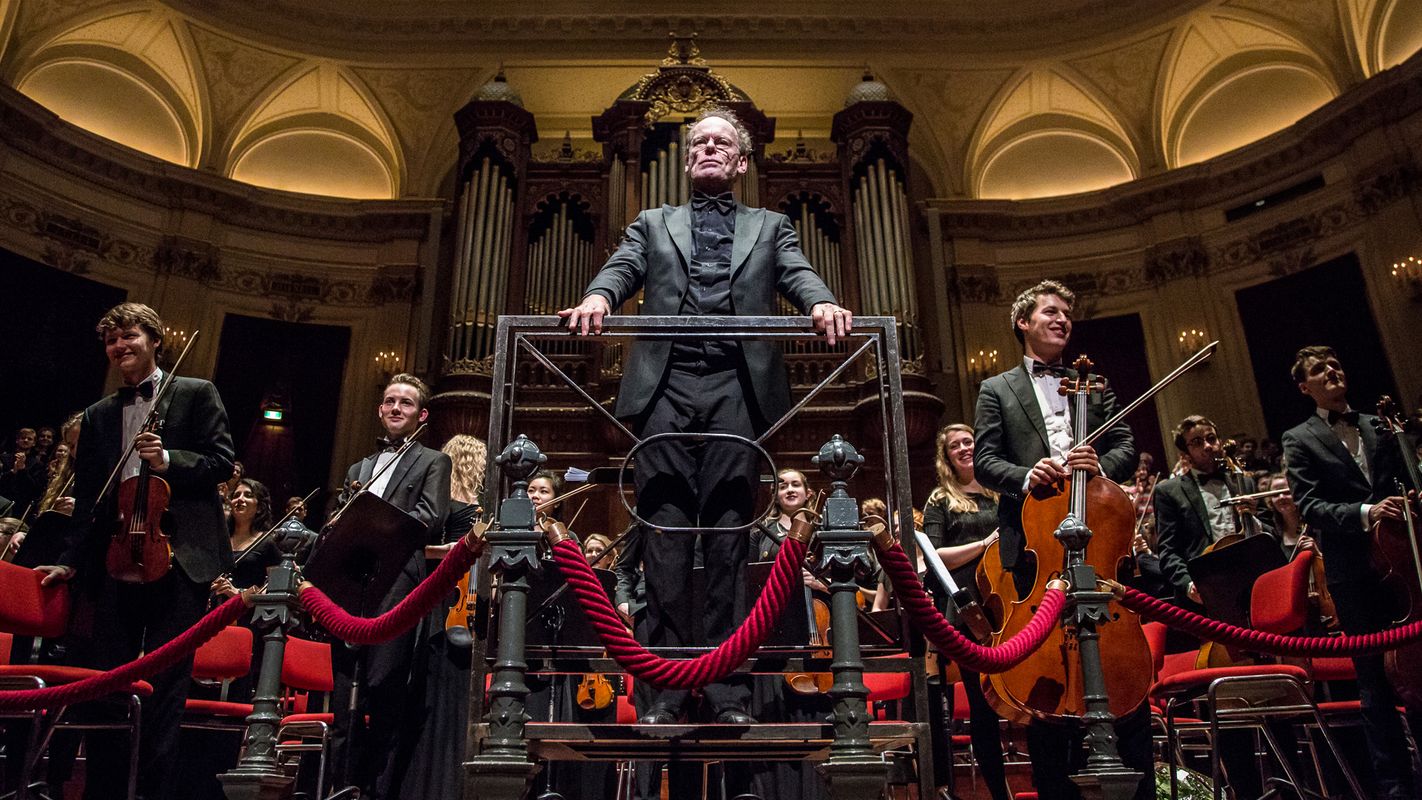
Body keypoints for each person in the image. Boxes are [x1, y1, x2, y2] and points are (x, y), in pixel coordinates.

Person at [559, 106, 851, 727]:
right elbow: (623, 268)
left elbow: (797, 274)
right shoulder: (652, 221)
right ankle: (664, 692)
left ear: (741, 162)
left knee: (726, 541)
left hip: (735, 389)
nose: (708, 149)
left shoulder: (771, 226)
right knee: (663, 539)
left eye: (721, 142)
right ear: (688, 159)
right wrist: (599, 295)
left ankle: (726, 692)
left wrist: (822, 302)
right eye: (698, 143)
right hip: (665, 389)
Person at [35, 302, 235, 800]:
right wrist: (71, 560)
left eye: (130, 336)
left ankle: (151, 792)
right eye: (112, 340)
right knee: (108, 680)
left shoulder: (196, 392)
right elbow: (90, 498)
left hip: (180, 556)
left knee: (167, 686)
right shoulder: (99, 415)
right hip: (116, 558)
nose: (120, 346)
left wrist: (169, 459)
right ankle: (104, 790)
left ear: (155, 340)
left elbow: (220, 461)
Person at [971, 279, 1151, 800]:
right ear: (1023, 322)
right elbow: (986, 463)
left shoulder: (1093, 382)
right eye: (1050, 312)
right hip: (1034, 547)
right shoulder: (996, 389)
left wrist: (1100, 464)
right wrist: (1028, 475)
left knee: (1122, 693)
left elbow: (1124, 445)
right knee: (1047, 693)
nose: (1062, 320)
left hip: (1099, 538)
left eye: (1066, 314)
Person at [1281, 345, 1421, 799]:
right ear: (1304, 387)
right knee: (1374, 682)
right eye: (1318, 369)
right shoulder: (1298, 438)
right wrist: (1367, 512)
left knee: (1418, 673)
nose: (1331, 371)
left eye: (1335, 364)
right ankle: (1395, 787)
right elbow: (1310, 506)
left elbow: (1406, 483)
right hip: (1353, 571)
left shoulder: (1378, 424)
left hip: (1403, 564)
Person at [327, 373, 451, 800]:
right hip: (352, 580)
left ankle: (379, 792)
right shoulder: (358, 468)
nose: (396, 408)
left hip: (398, 577)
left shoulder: (434, 461)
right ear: (380, 410)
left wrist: (373, 528)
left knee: (383, 689)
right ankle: (341, 787)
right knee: (345, 696)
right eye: (390, 401)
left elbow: (430, 517)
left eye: (406, 403)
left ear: (422, 415)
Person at [920, 424, 1010, 800]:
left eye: (968, 441)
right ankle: (998, 793)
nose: (963, 449)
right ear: (947, 457)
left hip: (1011, 601)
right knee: (982, 703)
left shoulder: (1001, 491)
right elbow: (934, 555)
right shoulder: (941, 499)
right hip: (970, 609)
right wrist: (985, 543)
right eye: (954, 446)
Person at [397, 433, 486, 800]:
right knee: (437, 681)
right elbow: (417, 548)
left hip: (470, 597)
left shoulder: (482, 504)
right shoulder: (444, 502)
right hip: (443, 596)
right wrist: (450, 551)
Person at [1153, 415, 1266, 605]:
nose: (1207, 446)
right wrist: (1188, 584)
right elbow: (1168, 552)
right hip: (1203, 590)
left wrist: (1253, 519)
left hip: (1250, 583)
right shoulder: (1168, 491)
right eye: (1197, 442)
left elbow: (1271, 534)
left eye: (1211, 438)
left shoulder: (1244, 482)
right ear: (1185, 453)